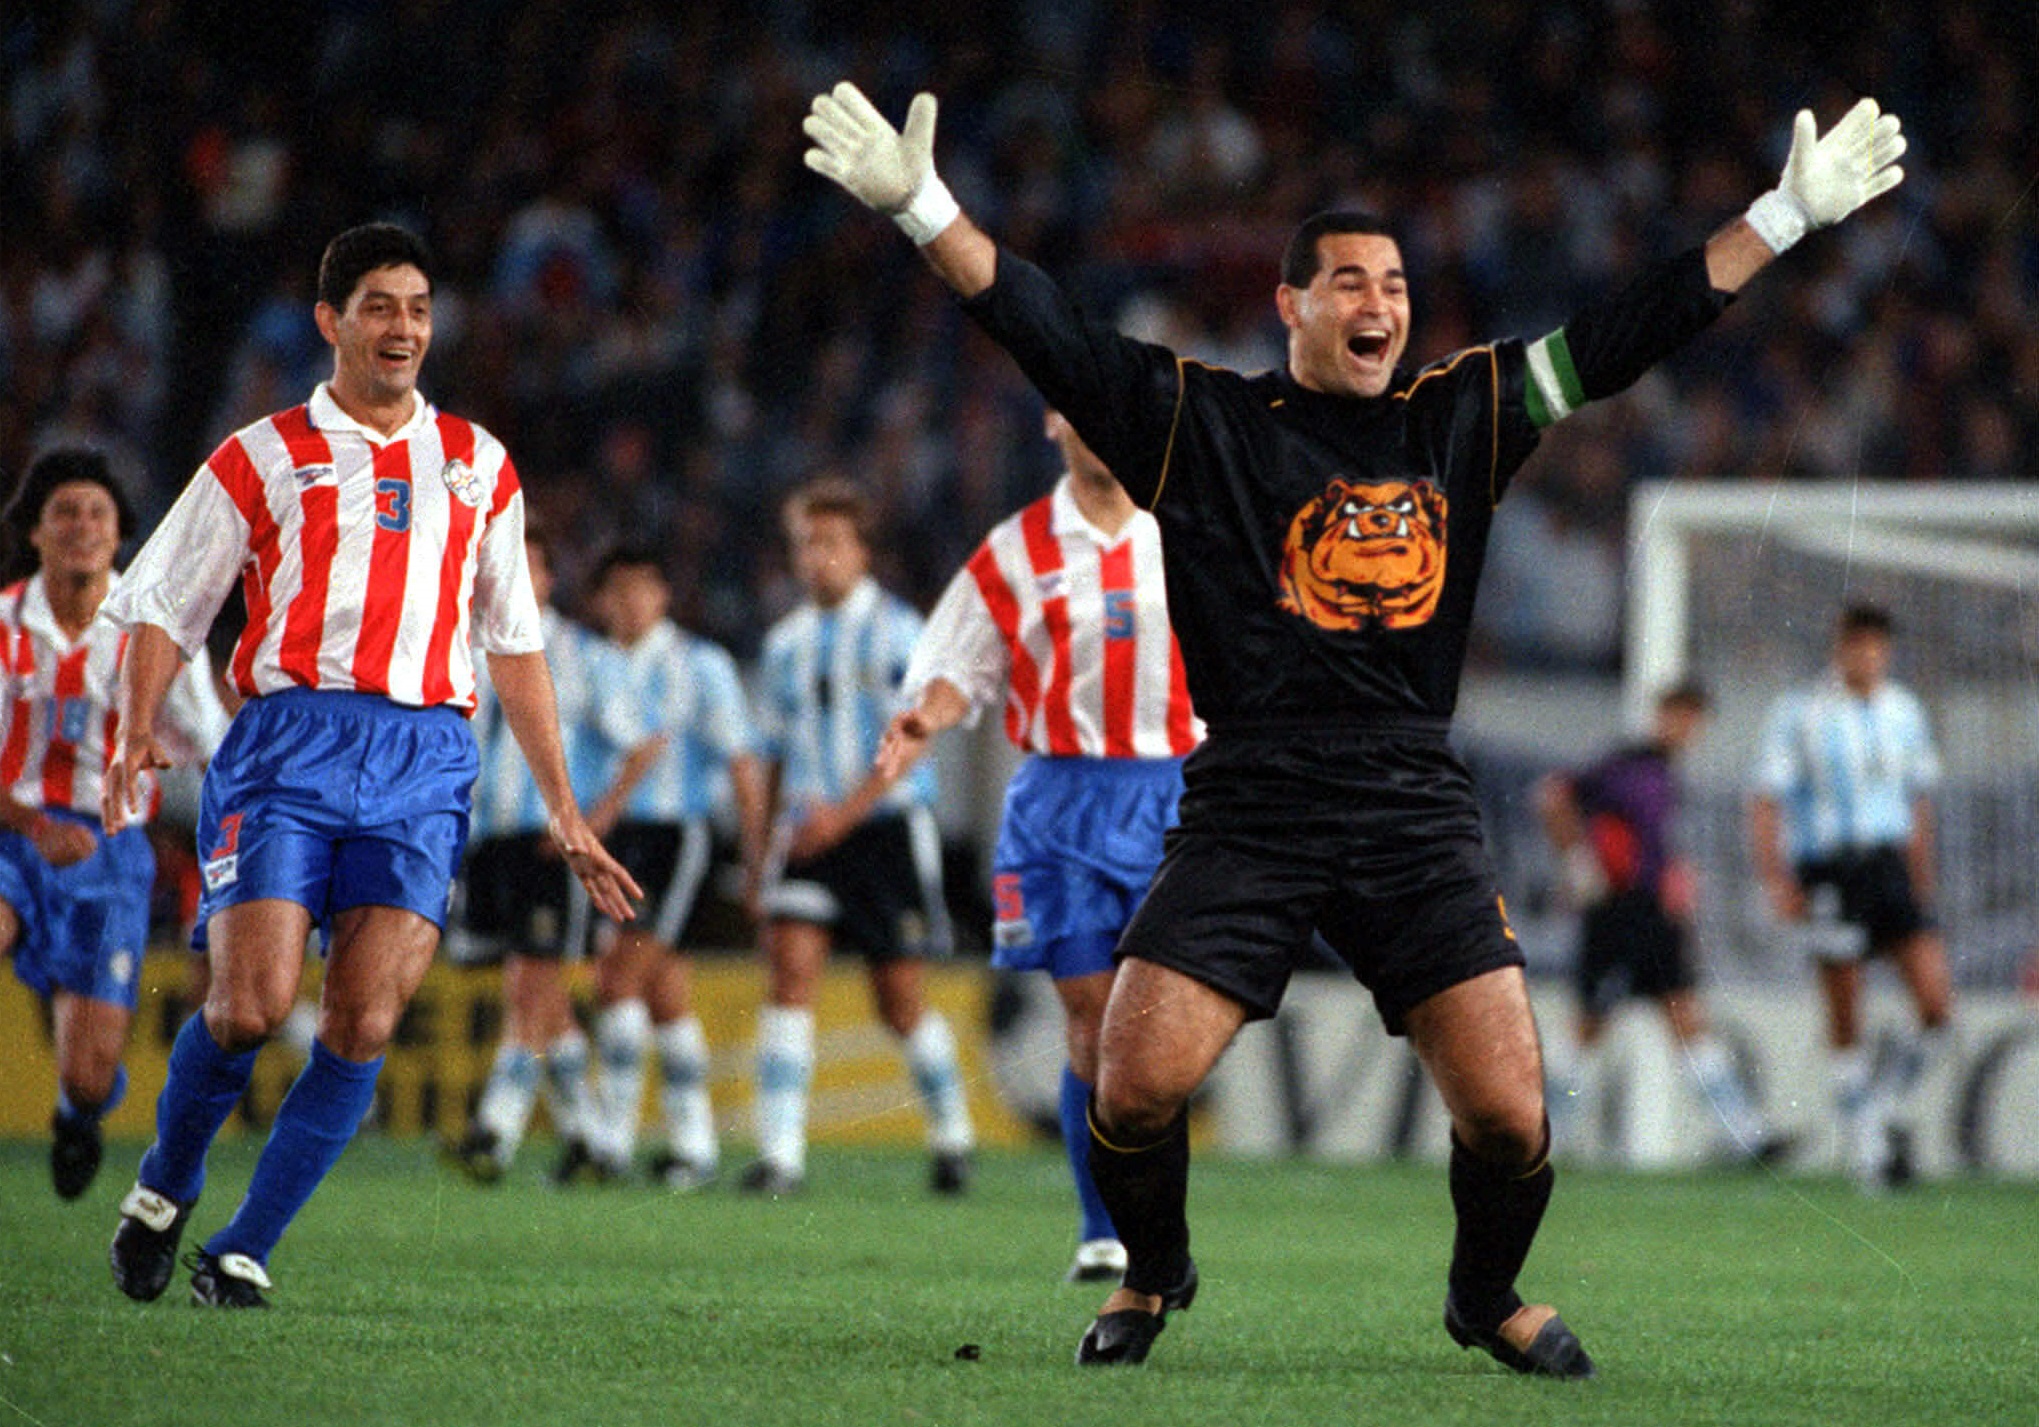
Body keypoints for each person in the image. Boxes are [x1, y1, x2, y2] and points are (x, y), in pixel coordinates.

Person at [802, 82, 1904, 1373]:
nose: (1375, 303)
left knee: (1507, 1108)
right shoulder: (1202, 424)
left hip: (1408, 808)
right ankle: (1153, 1274)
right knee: (1132, 1080)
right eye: (1344, 282)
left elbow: (1622, 333)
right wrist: (921, 206)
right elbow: (1047, 331)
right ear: (1291, 305)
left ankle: (1481, 1292)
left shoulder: (1461, 414)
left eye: (1389, 283)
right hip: (1249, 803)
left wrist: (1781, 213)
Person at [100, 221, 640, 1309]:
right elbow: (165, 598)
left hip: (425, 753)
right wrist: (136, 723)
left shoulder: (478, 464)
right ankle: (165, 1182)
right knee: (250, 1005)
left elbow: (515, 644)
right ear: (330, 322)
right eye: (381, 306)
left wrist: (565, 807)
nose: (403, 327)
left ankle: (245, 1244)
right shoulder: (259, 454)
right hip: (289, 740)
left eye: (420, 309)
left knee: (365, 1019)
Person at [874, 408, 1201, 1282]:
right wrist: (923, 720)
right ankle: (1105, 1232)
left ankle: (1146, 1218)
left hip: (1179, 798)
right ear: (1055, 421)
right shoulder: (1018, 548)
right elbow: (955, 667)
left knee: (1156, 1038)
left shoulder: (1196, 525)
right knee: (1092, 1020)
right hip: (1064, 801)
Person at [0, 448, 229, 1201]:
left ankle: (78, 1112)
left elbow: (213, 741)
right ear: (34, 530)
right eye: (64, 510)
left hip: (111, 855)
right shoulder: (3, 627)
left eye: (97, 513)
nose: (81, 526)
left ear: (119, 534)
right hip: (12, 835)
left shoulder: (151, 628)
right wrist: (33, 827)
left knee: (93, 1075)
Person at [745, 476, 975, 1196]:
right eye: (805, 544)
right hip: (807, 836)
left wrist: (839, 817)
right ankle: (780, 1156)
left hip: (881, 831)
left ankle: (952, 1133)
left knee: (898, 999)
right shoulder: (783, 644)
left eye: (831, 543)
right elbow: (773, 756)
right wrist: (761, 854)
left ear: (862, 552)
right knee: (790, 976)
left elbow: (912, 744)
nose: (817, 558)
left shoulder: (902, 633)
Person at [565, 544, 767, 1189]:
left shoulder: (701, 665)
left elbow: (742, 762)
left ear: (665, 595)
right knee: (664, 992)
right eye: (618, 590)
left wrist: (757, 855)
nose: (631, 602)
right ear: (600, 600)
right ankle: (694, 1147)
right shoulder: (589, 665)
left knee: (616, 981)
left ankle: (611, 1145)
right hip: (612, 837)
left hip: (675, 836)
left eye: (644, 588)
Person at [1536, 684, 1788, 1167]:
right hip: (1616, 912)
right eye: (1681, 716)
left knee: (1686, 1018)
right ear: (1661, 715)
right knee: (1589, 1024)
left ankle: (1746, 1136)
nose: (1687, 729)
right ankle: (1546, 1138)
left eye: (1695, 720)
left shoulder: (1667, 774)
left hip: (1653, 915)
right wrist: (1578, 865)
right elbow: (1554, 797)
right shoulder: (1625, 766)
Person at [1750, 603, 1950, 1190]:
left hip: (1890, 869)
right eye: (1855, 645)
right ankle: (1867, 1152)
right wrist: (1777, 879)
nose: (1865, 656)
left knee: (1937, 1006)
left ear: (1886, 652)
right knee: (1847, 1011)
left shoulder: (1906, 711)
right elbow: (1766, 799)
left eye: (1875, 646)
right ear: (1838, 648)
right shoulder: (1799, 713)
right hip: (1833, 872)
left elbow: (1918, 801)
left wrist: (1921, 874)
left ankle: (1880, 1110)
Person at [444, 523, 600, 1185]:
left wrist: (583, 816)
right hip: (489, 837)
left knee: (530, 982)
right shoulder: (466, 643)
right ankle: (593, 1138)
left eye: (526, 566)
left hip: (547, 839)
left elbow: (635, 740)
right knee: (540, 994)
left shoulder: (576, 650)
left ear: (548, 579)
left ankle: (495, 1130)